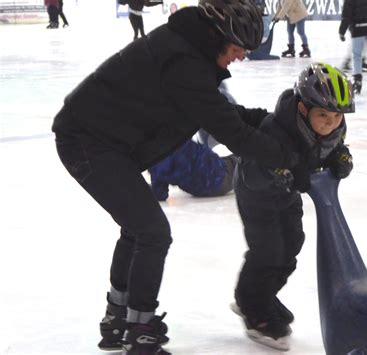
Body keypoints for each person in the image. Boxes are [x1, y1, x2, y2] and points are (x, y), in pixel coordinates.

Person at [51, 0, 301, 354]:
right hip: (89, 143)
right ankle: (140, 332)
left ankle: (118, 320)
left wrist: (275, 125)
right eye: (236, 49)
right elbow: (231, 131)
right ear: (217, 36)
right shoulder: (184, 64)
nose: (241, 57)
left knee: (138, 230)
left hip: (105, 140)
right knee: (152, 232)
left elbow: (225, 113)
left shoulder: (188, 49)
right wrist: (291, 156)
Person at [231, 62, 355, 351]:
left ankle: (262, 294)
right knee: (269, 252)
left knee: (292, 246)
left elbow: (334, 150)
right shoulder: (276, 132)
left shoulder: (332, 131)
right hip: (257, 195)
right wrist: (280, 173)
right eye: (323, 115)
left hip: (287, 196)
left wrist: (342, 159)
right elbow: (251, 170)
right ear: (303, 109)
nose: (330, 123)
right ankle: (252, 306)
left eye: (337, 116)